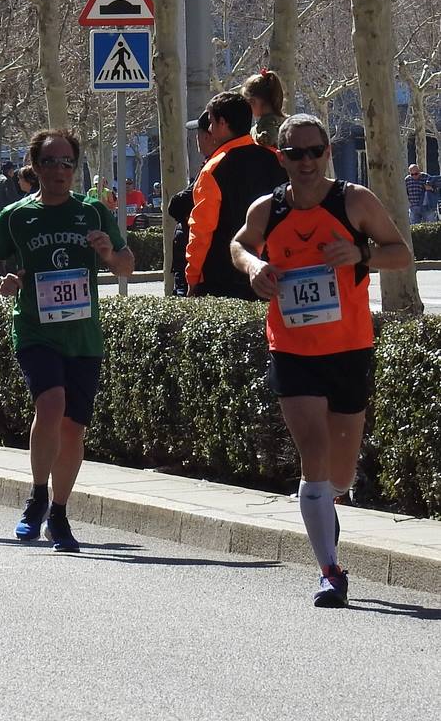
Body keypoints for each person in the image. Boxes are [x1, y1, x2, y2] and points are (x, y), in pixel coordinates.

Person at [230, 114, 411, 607]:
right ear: (281, 156)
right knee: (312, 452)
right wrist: (254, 266)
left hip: (349, 348)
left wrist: (361, 255)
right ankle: (330, 571)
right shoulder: (269, 209)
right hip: (291, 348)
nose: (306, 161)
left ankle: (330, 502)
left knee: (342, 474)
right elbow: (238, 244)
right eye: (295, 153)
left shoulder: (354, 201)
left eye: (315, 151)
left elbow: (402, 253)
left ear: (327, 152)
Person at [0, 128, 134, 552]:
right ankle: (37, 495)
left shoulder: (93, 212)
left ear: (76, 167)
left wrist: (107, 254)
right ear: (35, 166)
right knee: (50, 405)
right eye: (50, 162)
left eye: (68, 162)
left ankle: (60, 513)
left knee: (73, 429)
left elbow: (125, 265)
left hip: (83, 336)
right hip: (34, 328)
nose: (59, 170)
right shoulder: (18, 214)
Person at [186, 91, 287, 299]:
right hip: (272, 273)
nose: (210, 129)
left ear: (223, 123)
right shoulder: (276, 159)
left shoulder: (213, 169)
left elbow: (201, 230)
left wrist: (193, 276)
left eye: (212, 122)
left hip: (223, 279)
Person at [169, 113, 218, 295]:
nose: (196, 139)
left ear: (208, 136)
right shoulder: (210, 165)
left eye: (198, 133)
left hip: (198, 269)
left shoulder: (213, 169)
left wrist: (192, 275)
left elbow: (178, 205)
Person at [240, 69, 287, 148]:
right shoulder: (280, 121)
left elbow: (267, 140)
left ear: (254, 101)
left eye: (249, 103)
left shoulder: (270, 123)